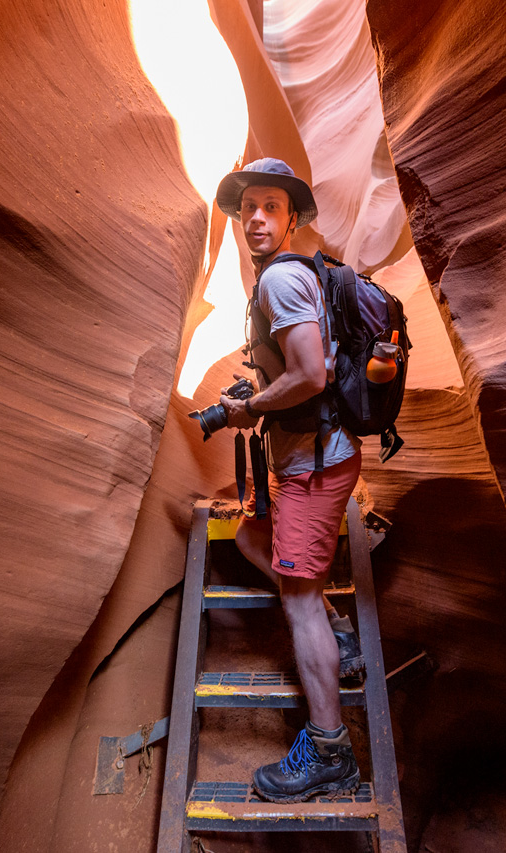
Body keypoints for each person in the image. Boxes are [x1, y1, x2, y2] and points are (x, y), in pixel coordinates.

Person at [213, 158, 364, 803]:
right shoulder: (289, 278)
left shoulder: (280, 282)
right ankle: (338, 631)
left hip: (312, 465)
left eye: (271, 207)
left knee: (297, 600)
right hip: (310, 456)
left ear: (292, 219)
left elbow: (310, 376)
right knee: (253, 539)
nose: (256, 218)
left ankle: (329, 752)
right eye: (248, 207)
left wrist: (250, 408)